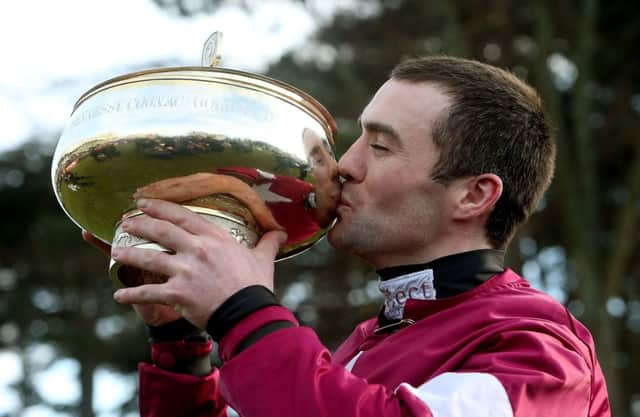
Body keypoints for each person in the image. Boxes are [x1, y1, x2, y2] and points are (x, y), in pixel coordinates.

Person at [95, 56, 610, 417]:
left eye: (381, 147)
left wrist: (242, 312)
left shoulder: (540, 349)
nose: (345, 165)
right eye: (357, 137)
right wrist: (182, 341)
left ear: (474, 196)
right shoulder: (364, 344)